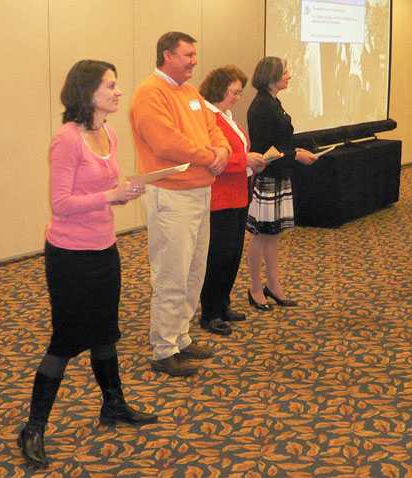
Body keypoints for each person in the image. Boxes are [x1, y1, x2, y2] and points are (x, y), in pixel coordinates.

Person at [18, 60, 157, 469]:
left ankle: (113, 406)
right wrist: (110, 197)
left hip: (104, 249)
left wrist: (123, 191)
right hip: (70, 256)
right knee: (64, 341)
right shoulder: (67, 139)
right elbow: (61, 204)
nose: (117, 92)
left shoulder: (108, 132)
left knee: (105, 334)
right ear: (88, 92)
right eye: (110, 85)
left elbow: (102, 189)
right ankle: (34, 427)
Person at [129, 32, 230, 376]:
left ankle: (181, 337)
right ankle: (163, 348)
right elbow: (167, 143)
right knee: (172, 272)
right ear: (167, 55)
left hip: (200, 191)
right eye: (188, 55)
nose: (194, 61)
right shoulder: (149, 93)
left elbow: (213, 128)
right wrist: (209, 157)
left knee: (193, 270)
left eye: (194, 54)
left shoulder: (190, 93)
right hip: (171, 195)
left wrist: (222, 152)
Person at [198, 66, 267, 335]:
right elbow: (210, 158)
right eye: (234, 92)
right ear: (219, 88)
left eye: (240, 93)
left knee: (232, 254)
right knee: (218, 255)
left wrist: (252, 162)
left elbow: (237, 153)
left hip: (238, 194)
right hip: (219, 197)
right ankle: (210, 312)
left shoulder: (226, 116)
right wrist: (244, 161)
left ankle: (222, 303)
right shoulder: (206, 116)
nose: (238, 97)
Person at [246, 57, 318, 309]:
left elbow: (280, 141)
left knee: (273, 235)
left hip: (279, 175)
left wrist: (293, 149)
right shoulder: (261, 106)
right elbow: (266, 149)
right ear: (271, 76)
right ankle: (255, 288)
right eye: (285, 72)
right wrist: (296, 155)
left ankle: (273, 285)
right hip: (268, 177)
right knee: (261, 236)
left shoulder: (273, 102)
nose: (289, 75)